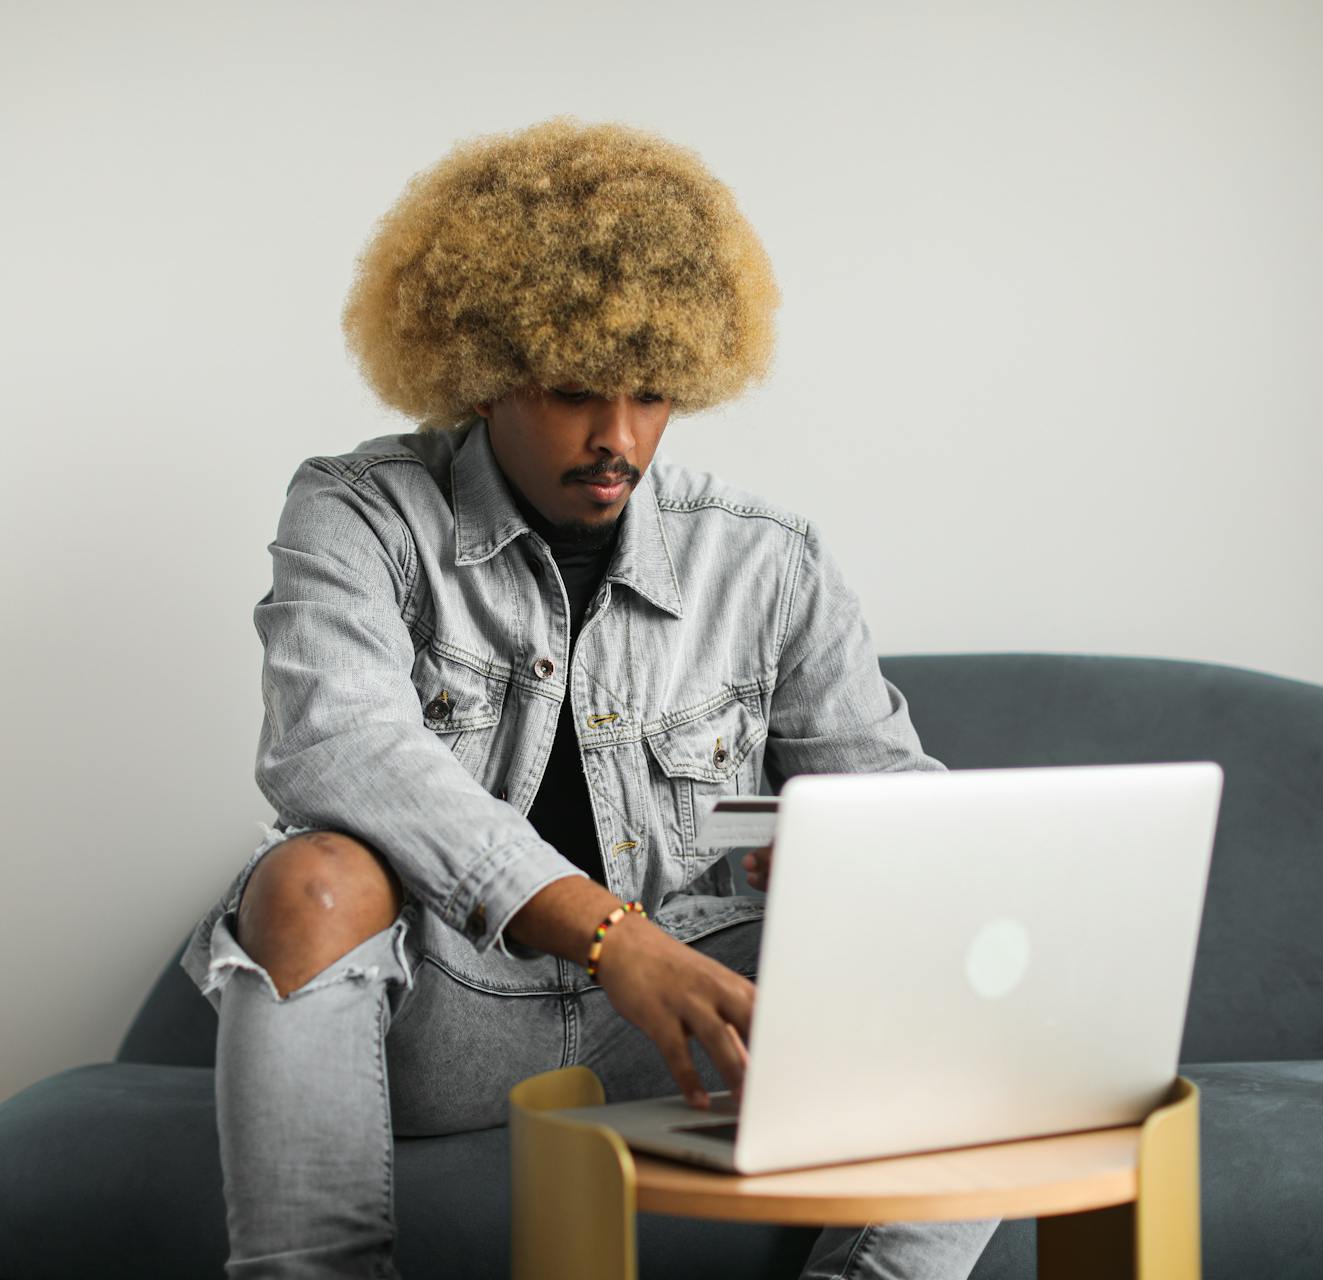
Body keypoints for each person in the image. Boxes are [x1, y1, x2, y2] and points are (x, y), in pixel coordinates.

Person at [180, 115, 1000, 1279]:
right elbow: (335, 743)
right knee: (315, 874)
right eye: (573, 392)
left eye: (653, 393)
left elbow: (900, 801)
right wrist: (614, 936)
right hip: (436, 1016)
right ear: (480, 369)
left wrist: (856, 857)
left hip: (684, 1010)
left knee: (942, 937)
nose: (619, 439)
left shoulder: (767, 562)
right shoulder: (358, 512)